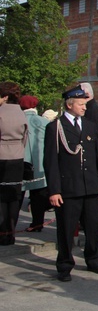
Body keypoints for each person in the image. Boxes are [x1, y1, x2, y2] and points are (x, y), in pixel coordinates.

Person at [43, 85, 98, 281]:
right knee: (66, 229)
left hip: (89, 185)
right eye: (81, 104)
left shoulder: (89, 126)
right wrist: (54, 190)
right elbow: (51, 162)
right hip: (68, 188)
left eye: (85, 104)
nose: (84, 107)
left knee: (93, 227)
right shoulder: (55, 127)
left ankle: (94, 260)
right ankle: (64, 265)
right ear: (69, 104)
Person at [0, 82, 28, 245]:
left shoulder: (1, 112)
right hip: (17, 156)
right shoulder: (21, 113)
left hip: (2, 155)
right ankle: (11, 232)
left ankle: (2, 232)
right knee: (14, 197)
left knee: (1, 198)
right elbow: (25, 136)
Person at [19, 95, 52, 232]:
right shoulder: (43, 122)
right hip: (40, 164)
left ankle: (8, 227)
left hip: (20, 162)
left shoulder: (18, 120)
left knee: (16, 198)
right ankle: (37, 224)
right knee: (38, 197)